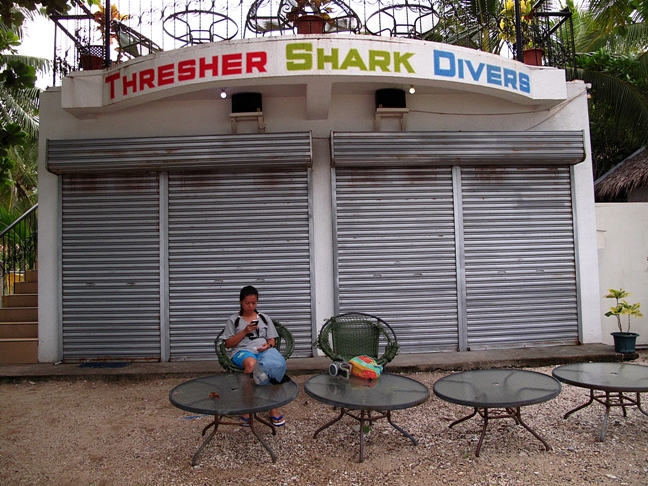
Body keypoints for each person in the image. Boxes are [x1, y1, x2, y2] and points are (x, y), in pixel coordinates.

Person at [223, 285, 286, 427]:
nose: (250, 306)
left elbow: (272, 341)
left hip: (262, 350)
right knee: (251, 364)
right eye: (247, 303)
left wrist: (268, 346)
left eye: (254, 303)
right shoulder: (234, 320)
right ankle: (247, 408)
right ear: (241, 302)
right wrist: (245, 331)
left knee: (274, 365)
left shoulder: (264, 318)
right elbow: (228, 344)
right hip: (242, 351)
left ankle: (273, 408)